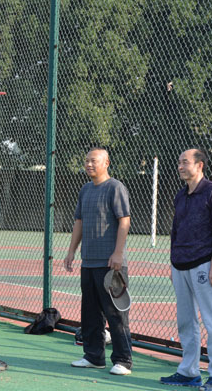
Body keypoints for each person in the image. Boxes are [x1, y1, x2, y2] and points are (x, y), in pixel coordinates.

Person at [159, 149, 212, 391]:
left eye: (185, 162)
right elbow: (175, 230)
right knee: (186, 321)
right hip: (180, 265)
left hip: (203, 263)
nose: (180, 166)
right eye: (179, 162)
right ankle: (189, 372)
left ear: (199, 165)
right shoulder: (180, 194)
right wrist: (173, 262)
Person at [63, 147, 133, 376]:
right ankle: (94, 357)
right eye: (87, 161)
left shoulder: (115, 187)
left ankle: (123, 360)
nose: (89, 164)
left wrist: (118, 253)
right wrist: (71, 251)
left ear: (106, 163)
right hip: (89, 262)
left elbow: (124, 221)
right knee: (90, 313)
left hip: (111, 264)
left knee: (116, 314)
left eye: (94, 161)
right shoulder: (85, 190)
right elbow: (79, 222)